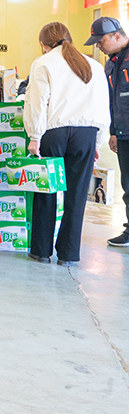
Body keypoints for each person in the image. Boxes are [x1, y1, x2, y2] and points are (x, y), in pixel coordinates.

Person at [23, 22, 110, 266]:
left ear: (43, 44)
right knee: (77, 195)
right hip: (86, 135)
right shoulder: (94, 66)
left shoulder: (43, 63)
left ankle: (41, 251)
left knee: (47, 191)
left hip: (54, 133)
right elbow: (103, 108)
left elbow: (37, 102)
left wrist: (34, 136)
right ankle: (68, 254)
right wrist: (97, 141)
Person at [86, 17, 129, 248]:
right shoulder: (111, 63)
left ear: (117, 35)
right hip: (123, 133)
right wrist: (113, 132)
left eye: (101, 41)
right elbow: (111, 101)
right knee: (127, 185)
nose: (99, 46)